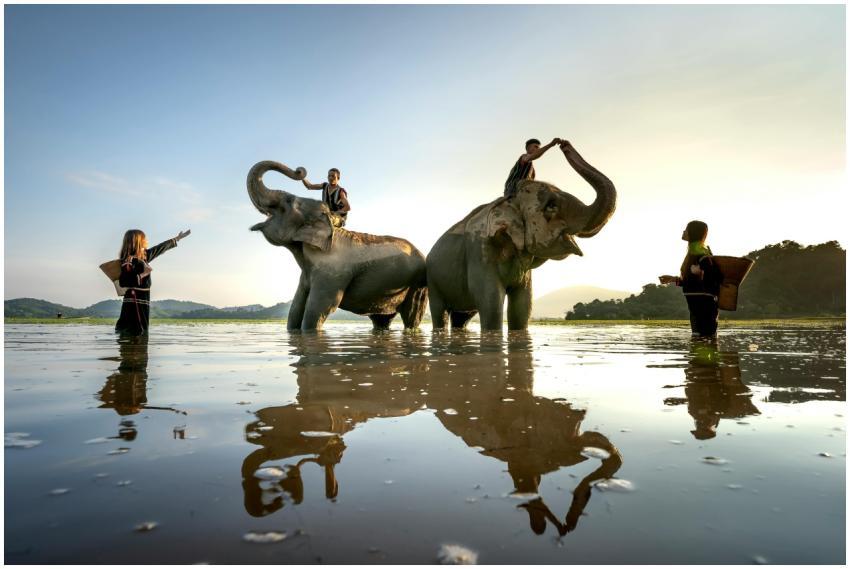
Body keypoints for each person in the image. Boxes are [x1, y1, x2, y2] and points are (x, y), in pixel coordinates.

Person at [115, 228, 191, 335]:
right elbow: (124, 282)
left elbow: (159, 248)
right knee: (136, 331)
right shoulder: (128, 260)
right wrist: (144, 273)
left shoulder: (143, 257)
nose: (146, 241)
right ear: (137, 241)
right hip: (134, 301)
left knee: (140, 332)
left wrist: (177, 238)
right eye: (144, 239)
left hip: (142, 300)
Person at [659, 220, 722, 340]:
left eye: (686, 229)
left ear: (693, 232)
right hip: (695, 306)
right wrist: (673, 279)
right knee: (699, 339)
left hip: (704, 304)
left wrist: (701, 273)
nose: (683, 231)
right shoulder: (693, 252)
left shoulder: (701, 252)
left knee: (706, 339)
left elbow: (712, 276)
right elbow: (691, 281)